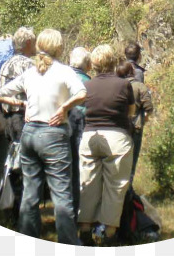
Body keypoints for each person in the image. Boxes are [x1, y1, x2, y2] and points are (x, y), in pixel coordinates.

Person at [0, 29, 86, 245]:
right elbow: (82, 93)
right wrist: (64, 108)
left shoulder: (30, 73)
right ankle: (68, 242)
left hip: (29, 135)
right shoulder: (63, 71)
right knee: (62, 195)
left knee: (30, 193)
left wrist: (22, 104)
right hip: (53, 135)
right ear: (58, 48)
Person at [77, 45, 135, 245]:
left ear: (93, 64)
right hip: (117, 137)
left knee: (88, 183)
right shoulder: (123, 85)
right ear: (113, 61)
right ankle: (109, 234)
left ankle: (84, 230)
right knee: (115, 186)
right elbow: (131, 111)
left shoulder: (87, 85)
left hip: (90, 136)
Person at [0, 27, 36, 226]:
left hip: (7, 119)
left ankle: (11, 207)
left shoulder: (5, 65)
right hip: (23, 118)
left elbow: (1, 93)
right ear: (28, 43)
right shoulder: (29, 65)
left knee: (11, 162)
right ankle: (24, 212)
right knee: (24, 163)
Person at [117, 61, 153, 184]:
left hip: (119, 129)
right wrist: (144, 119)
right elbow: (148, 107)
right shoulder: (139, 86)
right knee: (132, 161)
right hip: (136, 127)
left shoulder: (116, 87)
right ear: (132, 72)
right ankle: (129, 190)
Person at [67, 47, 92, 223]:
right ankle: (76, 212)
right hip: (79, 126)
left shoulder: (60, 76)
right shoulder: (87, 82)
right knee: (77, 168)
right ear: (87, 64)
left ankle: (63, 212)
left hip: (58, 125)